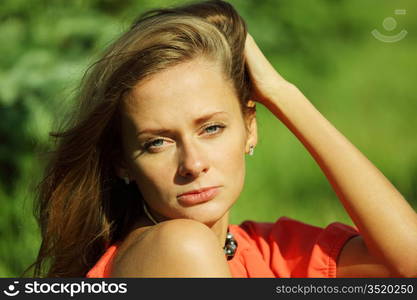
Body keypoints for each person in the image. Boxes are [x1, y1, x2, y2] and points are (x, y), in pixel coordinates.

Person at [29, 0, 417, 278]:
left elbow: (408, 264)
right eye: (157, 142)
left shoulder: (265, 251)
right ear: (121, 162)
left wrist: (283, 93)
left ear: (251, 126)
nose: (193, 164)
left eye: (211, 128)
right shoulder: (179, 247)